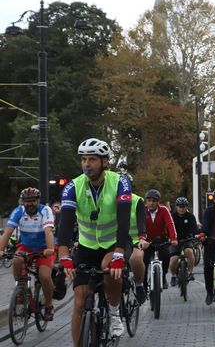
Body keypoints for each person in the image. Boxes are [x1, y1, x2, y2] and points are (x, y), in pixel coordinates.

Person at [57, 138, 132, 344]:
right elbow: (65, 221)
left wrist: (119, 252)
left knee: (110, 268)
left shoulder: (120, 182)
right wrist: (63, 254)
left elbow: (124, 219)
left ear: (105, 162)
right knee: (80, 300)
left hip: (114, 242)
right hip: (87, 246)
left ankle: (115, 314)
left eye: (92, 159)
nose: (86, 164)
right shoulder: (73, 186)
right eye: (83, 159)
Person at [0, 187, 56, 321]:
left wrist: (50, 248)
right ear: (22, 202)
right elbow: (7, 232)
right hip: (26, 246)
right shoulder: (18, 211)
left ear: (38, 200)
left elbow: (48, 231)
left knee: (44, 276)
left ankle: (49, 306)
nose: (29, 204)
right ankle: (21, 288)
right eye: (26, 201)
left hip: (43, 248)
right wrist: (1, 250)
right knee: (16, 260)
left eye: (32, 201)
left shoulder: (45, 210)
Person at [143, 189, 177, 290]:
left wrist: (173, 238)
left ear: (158, 202)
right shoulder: (143, 210)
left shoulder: (164, 210)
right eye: (149, 201)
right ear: (146, 202)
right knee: (143, 261)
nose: (151, 203)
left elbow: (170, 224)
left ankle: (163, 277)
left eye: (154, 201)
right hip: (146, 240)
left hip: (161, 239)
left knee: (166, 255)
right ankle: (143, 284)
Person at [169, 197, 197, 286]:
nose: (181, 208)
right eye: (180, 206)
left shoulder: (190, 217)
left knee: (189, 252)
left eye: (183, 206)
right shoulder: (172, 217)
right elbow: (167, 228)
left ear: (186, 207)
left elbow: (194, 229)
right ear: (176, 207)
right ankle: (173, 276)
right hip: (174, 241)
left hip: (187, 240)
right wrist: (170, 238)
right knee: (174, 259)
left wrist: (192, 235)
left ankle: (190, 272)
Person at [128, 192, 149, 303]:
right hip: (115, 239)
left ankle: (139, 285)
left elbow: (141, 222)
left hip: (135, 239)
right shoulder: (108, 199)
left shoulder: (137, 201)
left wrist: (142, 238)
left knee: (135, 259)